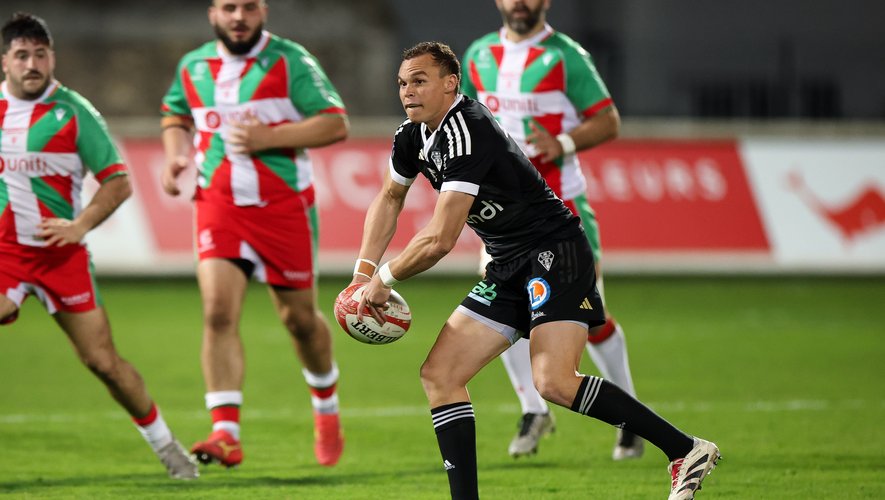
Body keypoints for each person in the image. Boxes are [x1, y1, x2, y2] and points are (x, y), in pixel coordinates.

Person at [351, 41, 719, 500]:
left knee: (555, 382)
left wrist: (383, 280)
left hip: (554, 252)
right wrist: (361, 273)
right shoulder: (411, 136)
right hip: (507, 263)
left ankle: (685, 449)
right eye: (402, 82)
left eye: (419, 80)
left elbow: (440, 238)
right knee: (440, 375)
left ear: (451, 84)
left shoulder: (468, 129)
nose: (407, 91)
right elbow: (390, 197)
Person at [0, 12, 198, 480]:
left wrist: (80, 225)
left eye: (41, 54)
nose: (32, 64)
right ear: (5, 61)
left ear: (52, 58)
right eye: (22, 55)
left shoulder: (74, 112)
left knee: (104, 363)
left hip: (61, 258)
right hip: (6, 254)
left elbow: (118, 182)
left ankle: (168, 448)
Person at [160, 0, 348, 468]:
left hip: (283, 208)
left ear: (263, 10)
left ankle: (326, 406)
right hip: (218, 205)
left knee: (298, 321)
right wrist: (176, 155)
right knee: (217, 313)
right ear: (212, 13)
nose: (238, 16)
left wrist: (271, 137)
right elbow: (175, 114)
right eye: (229, 7)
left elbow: (335, 123)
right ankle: (226, 433)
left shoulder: (289, 61)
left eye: (248, 6)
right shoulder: (194, 66)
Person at [461, 0, 642, 460]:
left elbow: (608, 120)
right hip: (504, 214)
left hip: (562, 210)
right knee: (500, 311)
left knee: (591, 318)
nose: (520, 3)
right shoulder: (479, 54)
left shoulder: (567, 56)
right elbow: (466, 121)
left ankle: (630, 416)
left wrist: (561, 142)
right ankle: (533, 409)